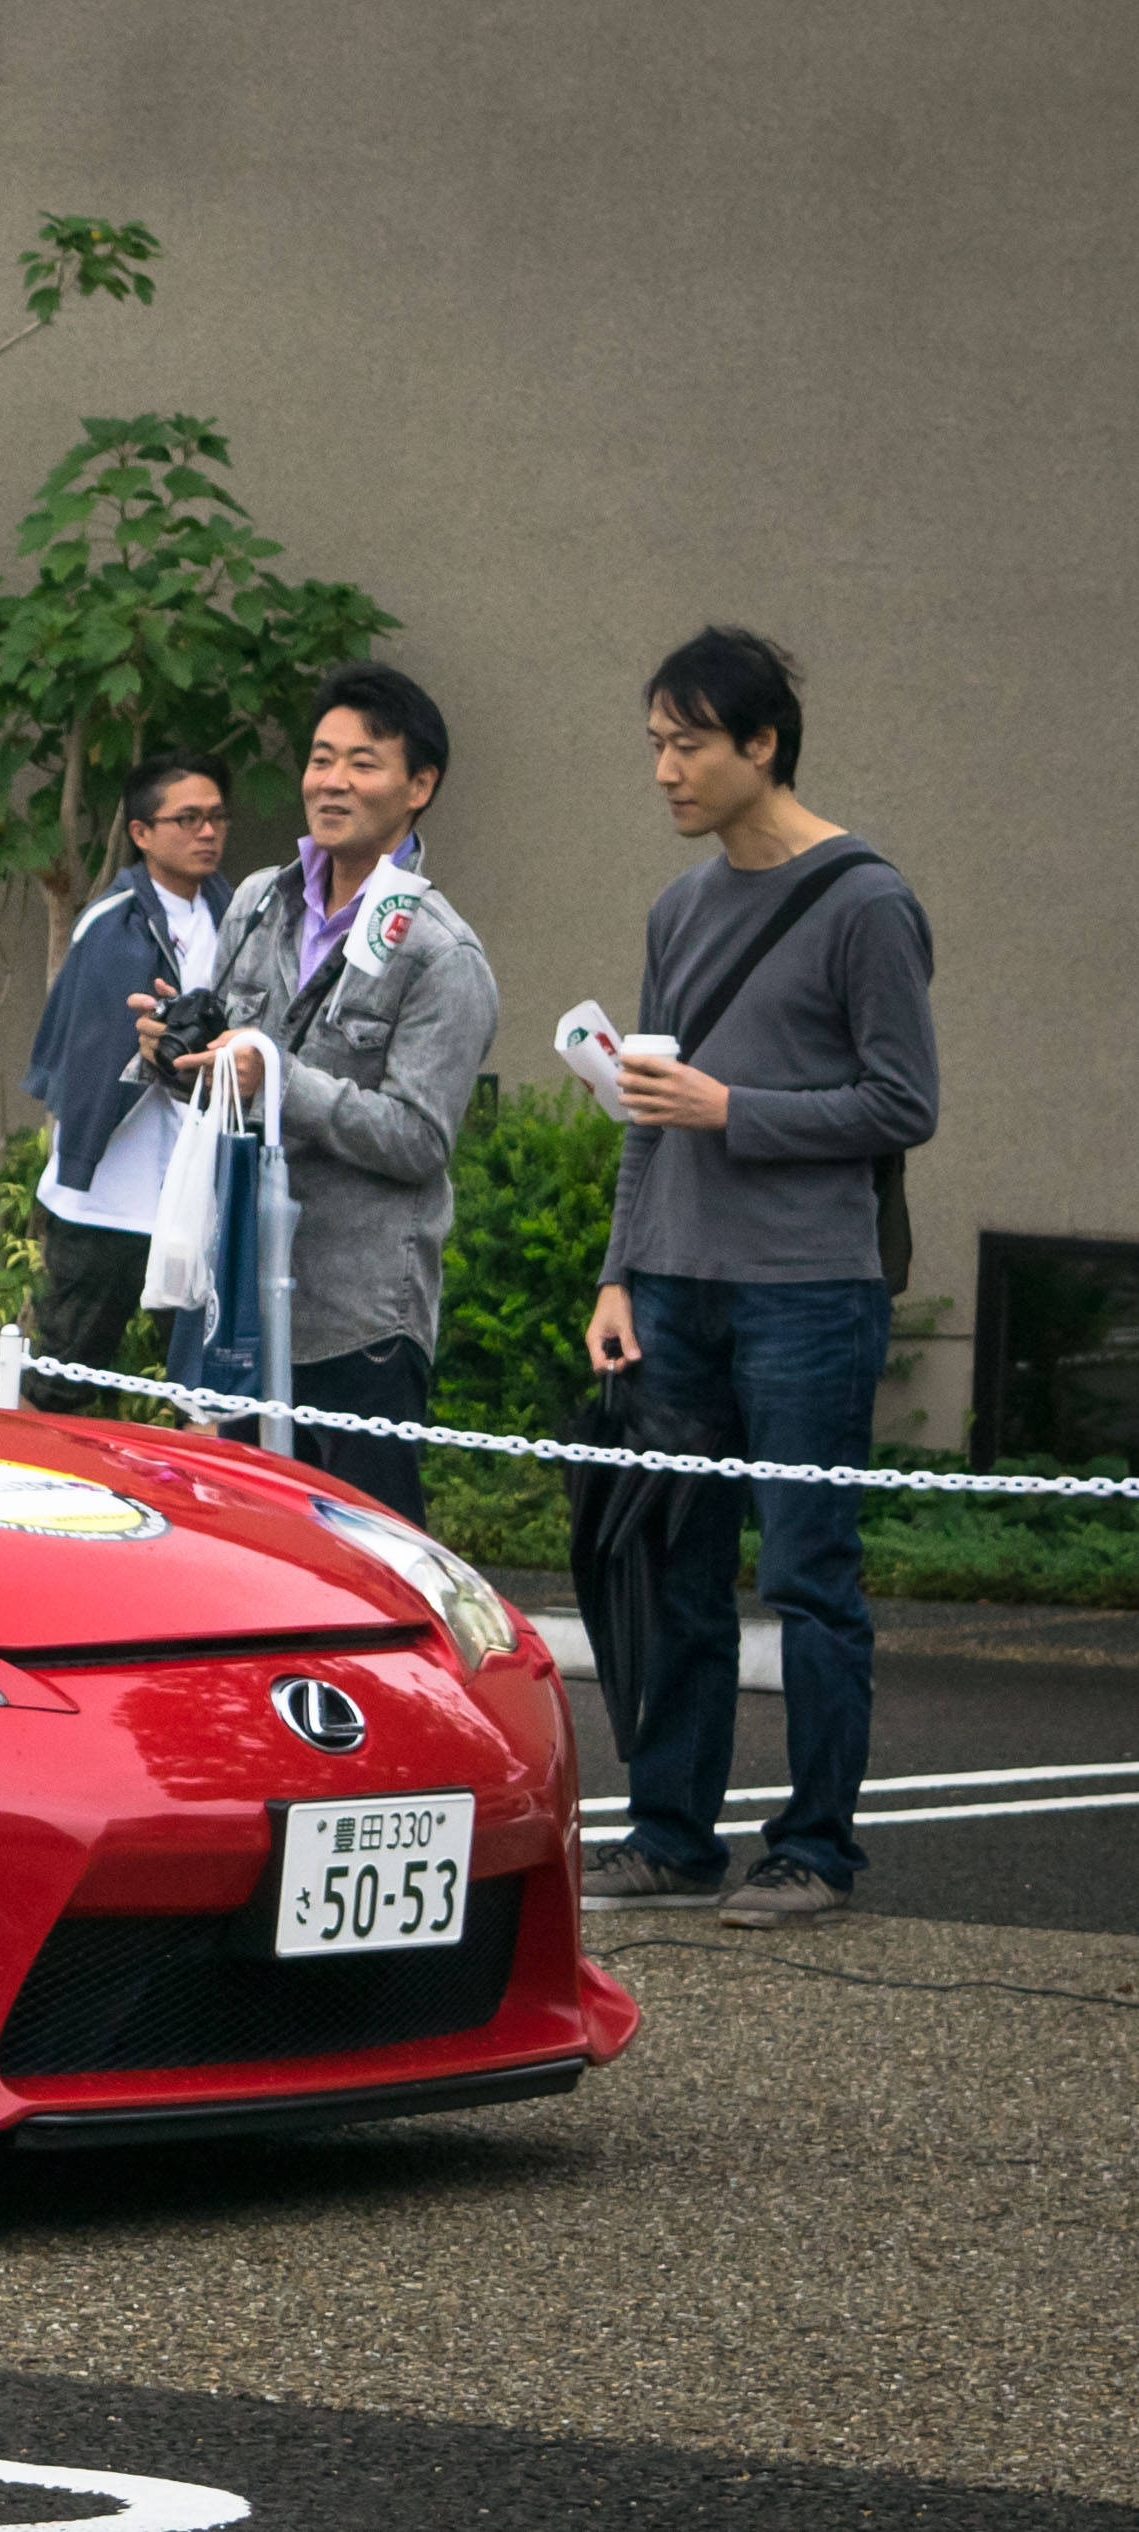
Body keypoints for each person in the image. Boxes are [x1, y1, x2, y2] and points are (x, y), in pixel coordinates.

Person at [580, 628, 937, 1930]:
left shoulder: (863, 903)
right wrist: (617, 1272)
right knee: (671, 1571)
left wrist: (731, 1107)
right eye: (654, 745)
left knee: (804, 1575)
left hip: (805, 1291)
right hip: (669, 1284)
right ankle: (667, 1834)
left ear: (759, 744)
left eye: (685, 744)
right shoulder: (676, 909)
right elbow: (641, 1107)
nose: (664, 770)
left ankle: (814, 1850)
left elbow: (902, 1101)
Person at [132, 664, 497, 1520]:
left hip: (358, 1314)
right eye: (320, 758)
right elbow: (221, 1092)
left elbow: (418, 1140)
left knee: (366, 1557)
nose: (330, 782)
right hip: (239, 1292)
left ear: (418, 786)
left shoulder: (442, 953)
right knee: (239, 1546)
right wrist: (172, 1055)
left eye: (362, 763)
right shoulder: (259, 901)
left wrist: (278, 1079)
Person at [22, 753, 236, 1403]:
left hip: (197, 1189)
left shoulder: (234, 915)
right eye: (187, 819)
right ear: (140, 833)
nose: (206, 832)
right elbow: (82, 1060)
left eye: (216, 817)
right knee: (65, 1373)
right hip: (107, 1194)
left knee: (211, 1383)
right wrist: (147, 1050)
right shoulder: (109, 926)